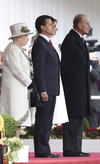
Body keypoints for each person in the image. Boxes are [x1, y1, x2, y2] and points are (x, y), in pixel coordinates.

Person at [61, 14, 91, 157]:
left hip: (81, 88)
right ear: (78, 25)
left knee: (79, 118)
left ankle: (76, 149)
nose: (89, 26)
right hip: (72, 89)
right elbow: (65, 67)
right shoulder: (70, 40)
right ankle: (69, 149)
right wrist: (68, 88)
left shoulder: (79, 39)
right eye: (87, 23)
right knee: (72, 118)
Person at [32, 15, 60, 158]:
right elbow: (39, 69)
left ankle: (45, 149)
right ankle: (41, 150)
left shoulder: (48, 43)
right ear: (42, 27)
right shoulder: (40, 44)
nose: (54, 27)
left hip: (52, 88)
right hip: (46, 90)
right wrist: (42, 90)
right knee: (43, 120)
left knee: (47, 121)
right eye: (50, 24)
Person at [0, 22, 32, 137]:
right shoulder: (12, 48)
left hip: (18, 89)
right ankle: (12, 147)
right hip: (14, 90)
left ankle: (15, 144)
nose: (28, 39)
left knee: (16, 120)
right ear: (19, 37)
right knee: (14, 118)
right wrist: (30, 83)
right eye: (25, 36)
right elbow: (17, 70)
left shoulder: (16, 48)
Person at [87, 53, 100, 127]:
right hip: (84, 101)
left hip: (95, 102)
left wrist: (90, 69)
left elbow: (97, 77)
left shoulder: (96, 67)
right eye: (93, 58)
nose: (94, 60)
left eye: (95, 58)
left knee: (94, 127)